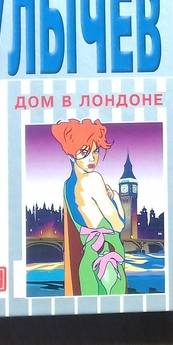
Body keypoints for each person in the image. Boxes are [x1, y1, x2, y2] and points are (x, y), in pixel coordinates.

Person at [51, 118, 127, 296]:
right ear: (71, 155)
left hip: (88, 263)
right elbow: (118, 224)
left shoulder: (68, 186)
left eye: (96, 151)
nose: (92, 158)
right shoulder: (93, 179)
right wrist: (116, 197)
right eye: (84, 152)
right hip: (108, 262)